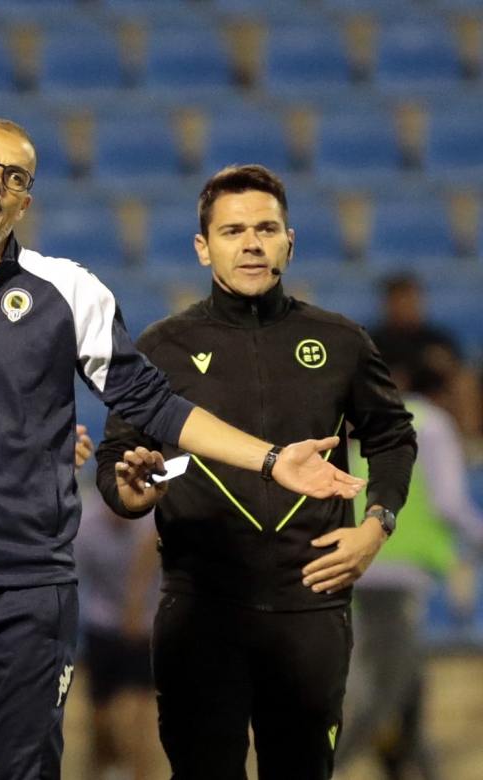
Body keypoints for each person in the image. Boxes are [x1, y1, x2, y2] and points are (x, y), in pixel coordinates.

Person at [0, 121, 363, 780]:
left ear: (24, 203)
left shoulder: (69, 291)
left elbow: (157, 405)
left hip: (28, 596)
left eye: (14, 177)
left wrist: (272, 459)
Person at [93, 164, 419, 780]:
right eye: (232, 231)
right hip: (200, 609)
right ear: (203, 247)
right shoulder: (162, 346)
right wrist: (132, 494)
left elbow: (393, 437)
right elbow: (116, 463)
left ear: (288, 242)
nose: (251, 243)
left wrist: (376, 526)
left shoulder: (341, 340)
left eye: (266, 229)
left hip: (311, 606)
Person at [337, 366, 483, 779]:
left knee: (407, 694)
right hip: (392, 578)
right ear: (444, 393)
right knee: (384, 694)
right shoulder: (433, 425)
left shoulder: (379, 424)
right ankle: (324, 769)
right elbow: (449, 503)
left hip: (366, 570)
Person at [74, 493, 166, 780]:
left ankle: (140, 773)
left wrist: (137, 610)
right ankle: (106, 765)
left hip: (146, 628)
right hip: (102, 625)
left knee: (141, 712)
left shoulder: (155, 523)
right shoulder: (87, 526)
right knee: (100, 716)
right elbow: (75, 579)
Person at [369, 274, 481, 446]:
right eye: (399, 301)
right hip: (394, 400)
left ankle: (469, 443)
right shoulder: (374, 341)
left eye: (410, 301)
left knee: (465, 382)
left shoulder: (437, 338)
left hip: (435, 399)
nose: (405, 307)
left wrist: (444, 365)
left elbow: (456, 370)